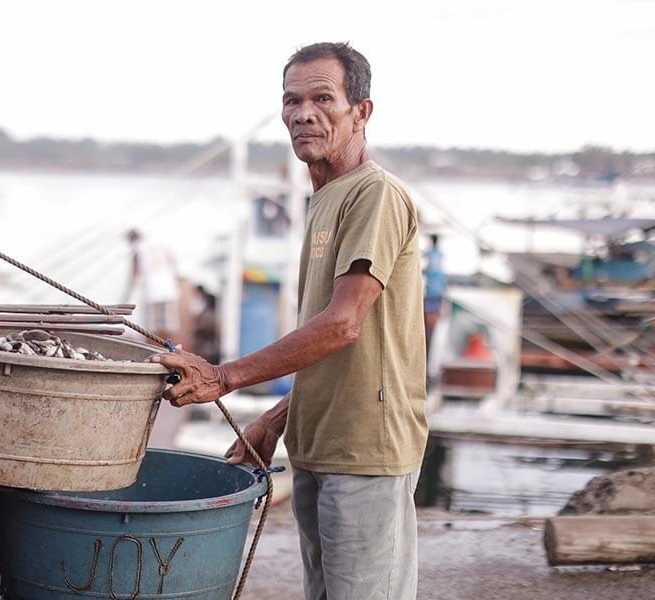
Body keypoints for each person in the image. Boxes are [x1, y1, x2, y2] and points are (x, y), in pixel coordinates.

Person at [150, 42, 427, 600]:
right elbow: (338, 349)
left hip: (366, 449)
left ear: (362, 111)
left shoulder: (375, 195)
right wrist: (274, 420)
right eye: (292, 100)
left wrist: (222, 377)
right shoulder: (326, 199)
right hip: (318, 445)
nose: (303, 113)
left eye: (323, 98)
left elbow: (343, 324)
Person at [124, 228, 181, 343]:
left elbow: (135, 274)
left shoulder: (138, 248)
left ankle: (155, 352)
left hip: (153, 292)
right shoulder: (159, 245)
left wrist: (127, 295)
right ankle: (173, 352)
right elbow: (174, 264)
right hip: (168, 290)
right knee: (169, 327)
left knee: (152, 328)